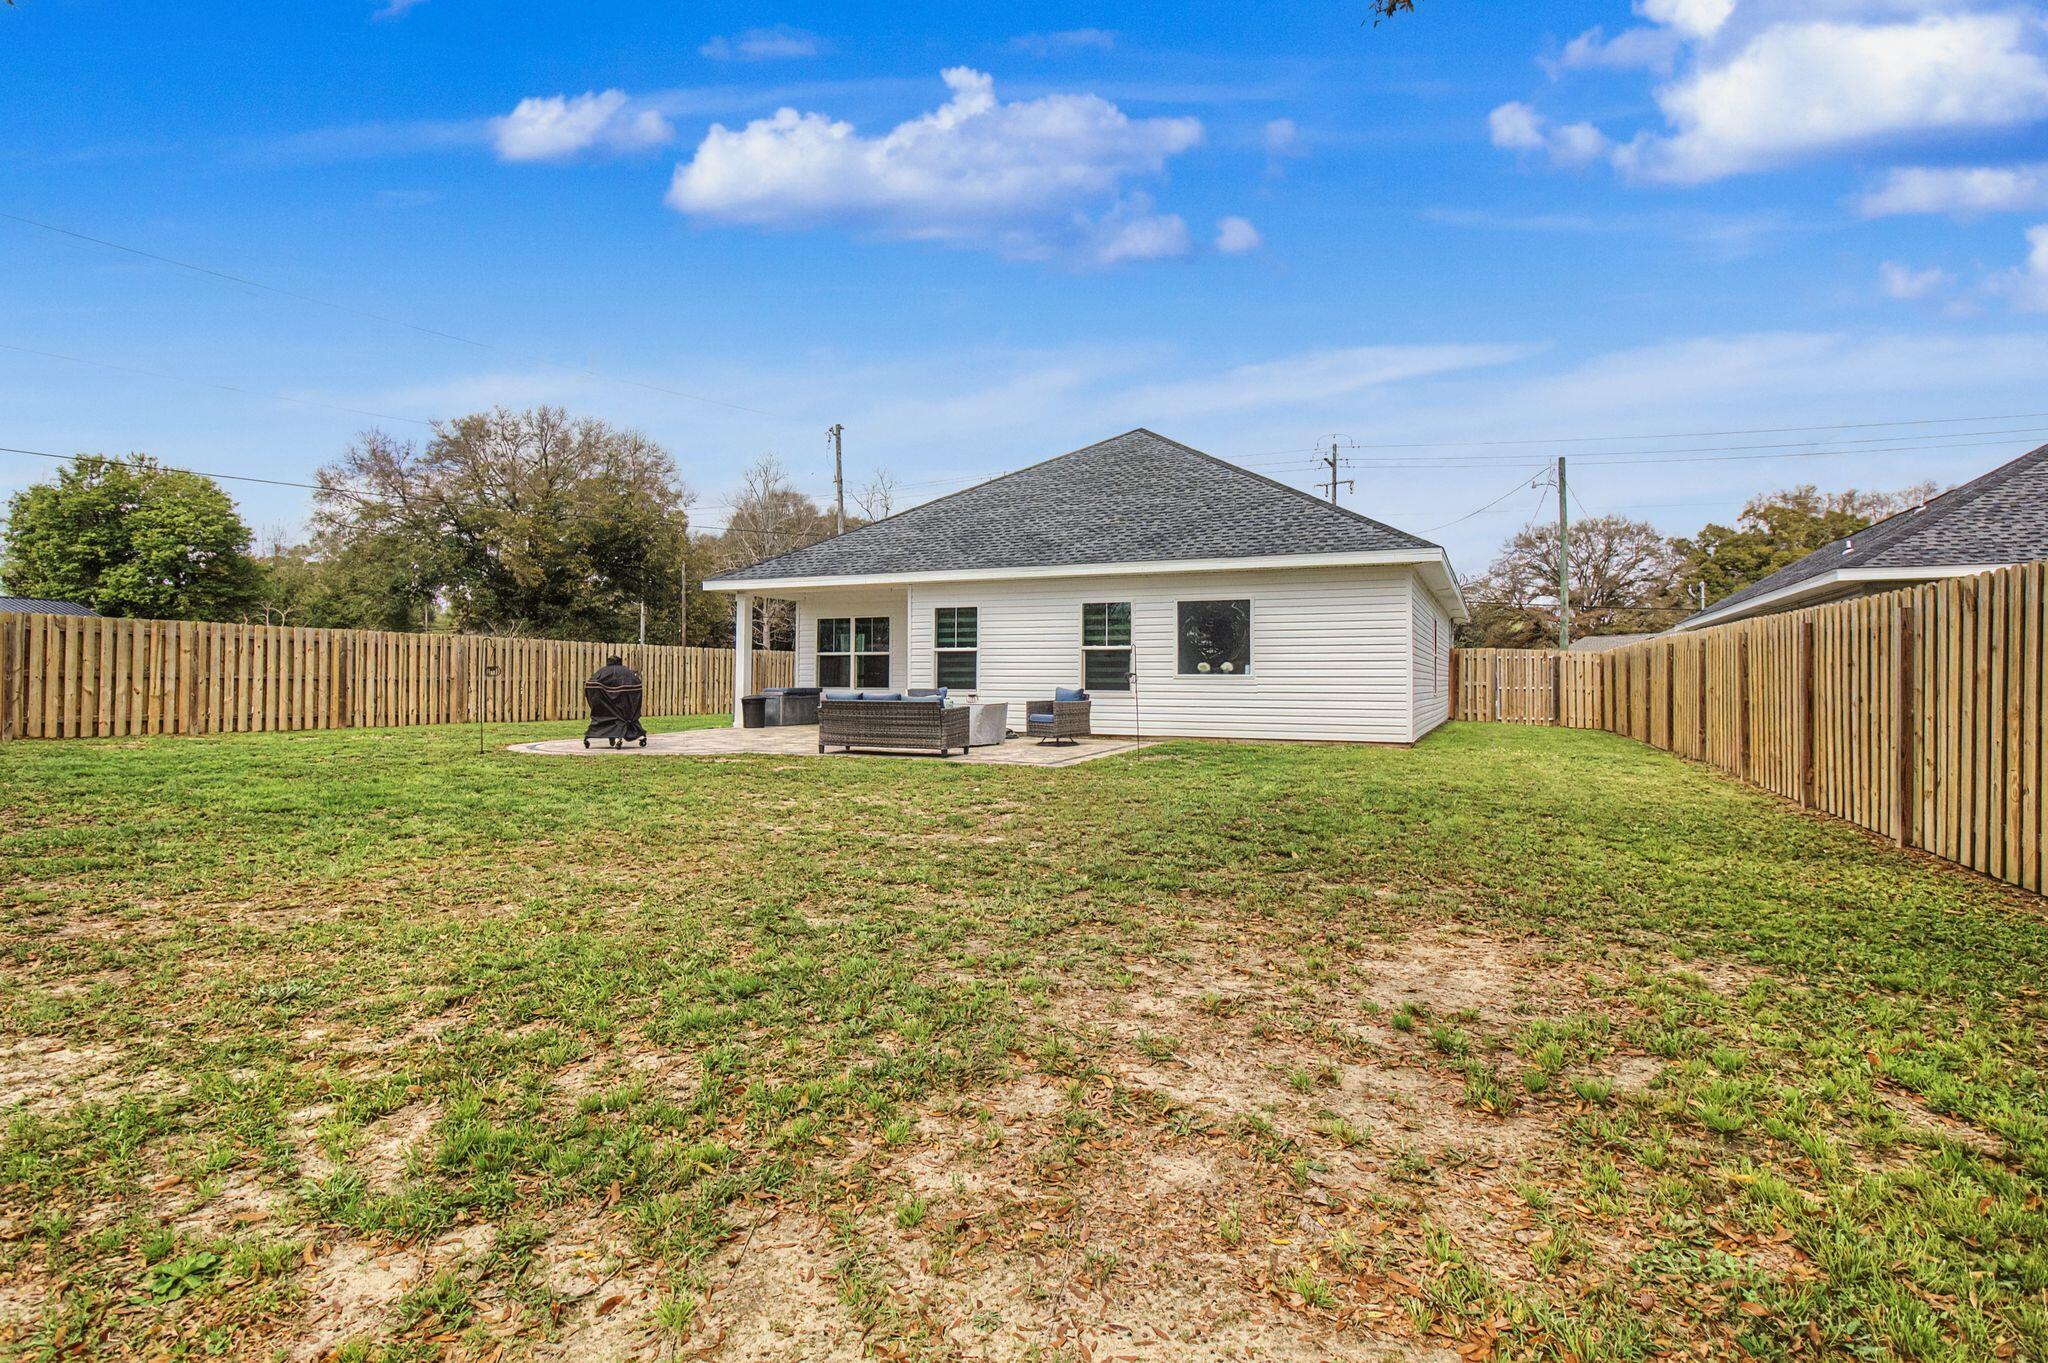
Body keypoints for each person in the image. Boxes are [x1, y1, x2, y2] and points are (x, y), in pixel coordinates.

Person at [583, 655, 647, 748]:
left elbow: (590, 689)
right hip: (624, 714)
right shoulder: (628, 674)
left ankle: (611, 734)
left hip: (603, 714)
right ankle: (619, 734)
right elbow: (637, 692)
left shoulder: (600, 673)